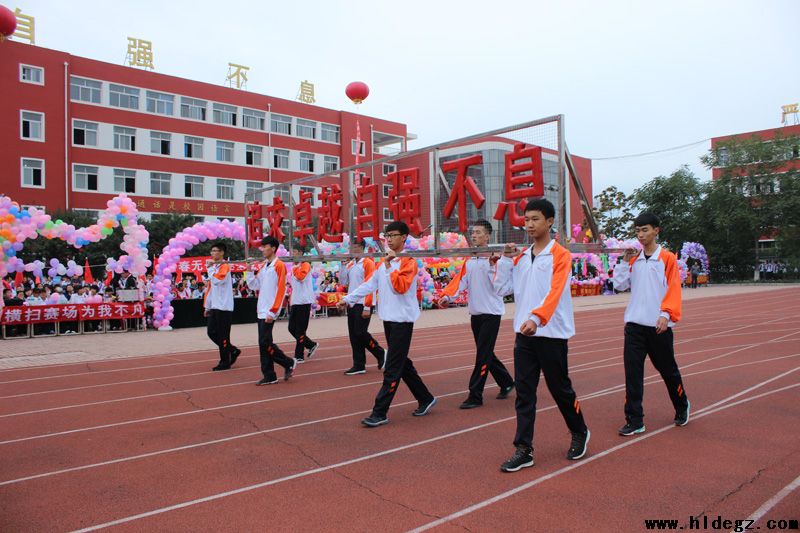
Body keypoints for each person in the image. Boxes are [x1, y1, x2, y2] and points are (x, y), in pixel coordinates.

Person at [491, 199, 590, 472]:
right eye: (527, 220)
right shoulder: (521, 258)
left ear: (549, 222)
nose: (530, 224)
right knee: (525, 393)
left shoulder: (560, 255)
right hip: (524, 335)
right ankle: (524, 449)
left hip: (552, 333)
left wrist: (537, 318)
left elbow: (555, 292)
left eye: (535, 219)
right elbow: (500, 290)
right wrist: (505, 262)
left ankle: (579, 430)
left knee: (560, 389)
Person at [337, 221, 436, 427]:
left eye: (393, 235)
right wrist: (348, 299)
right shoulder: (382, 263)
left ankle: (379, 412)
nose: (389, 239)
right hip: (388, 319)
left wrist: (391, 265)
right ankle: (425, 398)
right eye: (387, 235)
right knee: (402, 363)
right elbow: (369, 285)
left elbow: (400, 287)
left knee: (392, 367)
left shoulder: (409, 261)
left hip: (403, 321)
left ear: (404, 237)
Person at [612, 212, 689, 436]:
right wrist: (624, 262)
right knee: (632, 373)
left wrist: (666, 314)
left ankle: (681, 404)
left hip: (659, 326)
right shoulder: (634, 260)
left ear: (656, 230)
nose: (641, 234)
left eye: (645, 230)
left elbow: (673, 288)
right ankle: (635, 419)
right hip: (634, 326)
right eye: (637, 230)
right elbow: (619, 285)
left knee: (668, 371)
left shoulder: (666, 258)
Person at [438, 219, 514, 409]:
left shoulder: (496, 258)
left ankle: (475, 394)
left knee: (482, 355)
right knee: (486, 353)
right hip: (476, 313)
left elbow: (500, 284)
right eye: (473, 232)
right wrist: (447, 297)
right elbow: (461, 281)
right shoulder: (470, 259)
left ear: (488, 236)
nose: (474, 235)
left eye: (478, 232)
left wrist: (491, 264)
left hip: (491, 313)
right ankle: (506, 382)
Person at [246, 236, 297, 385]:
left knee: (264, 342)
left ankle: (287, 363)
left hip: (270, 310)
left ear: (273, 248)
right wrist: (249, 271)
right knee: (264, 343)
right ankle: (269, 374)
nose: (262, 249)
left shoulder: (279, 265)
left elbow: (281, 289)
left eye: (265, 246)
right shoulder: (263, 266)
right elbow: (254, 286)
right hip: (261, 309)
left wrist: (273, 311)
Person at [338, 237, 386, 375]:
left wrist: (367, 306)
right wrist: (342, 265)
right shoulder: (351, 264)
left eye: (355, 247)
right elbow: (343, 281)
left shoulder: (368, 263)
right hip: (352, 303)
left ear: (361, 247)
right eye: (351, 247)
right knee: (354, 335)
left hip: (363, 303)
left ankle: (380, 352)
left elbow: (370, 286)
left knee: (360, 332)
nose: (353, 249)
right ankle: (359, 364)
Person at [204, 241, 241, 372]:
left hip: (224, 306)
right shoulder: (214, 267)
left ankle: (225, 361)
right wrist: (207, 306)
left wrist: (209, 269)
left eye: (216, 251)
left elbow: (217, 281)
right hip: (215, 305)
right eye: (212, 251)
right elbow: (210, 288)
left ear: (222, 253)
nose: (213, 253)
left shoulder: (224, 266)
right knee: (211, 332)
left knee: (223, 335)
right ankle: (232, 350)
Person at [288, 244, 320, 363]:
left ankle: (299, 355)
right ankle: (310, 344)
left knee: (300, 329)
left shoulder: (305, 264)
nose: (293, 254)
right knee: (291, 328)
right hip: (296, 301)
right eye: (292, 252)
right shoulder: (294, 266)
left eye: (295, 251)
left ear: (301, 253)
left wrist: (294, 268)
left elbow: (301, 277)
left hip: (304, 301)